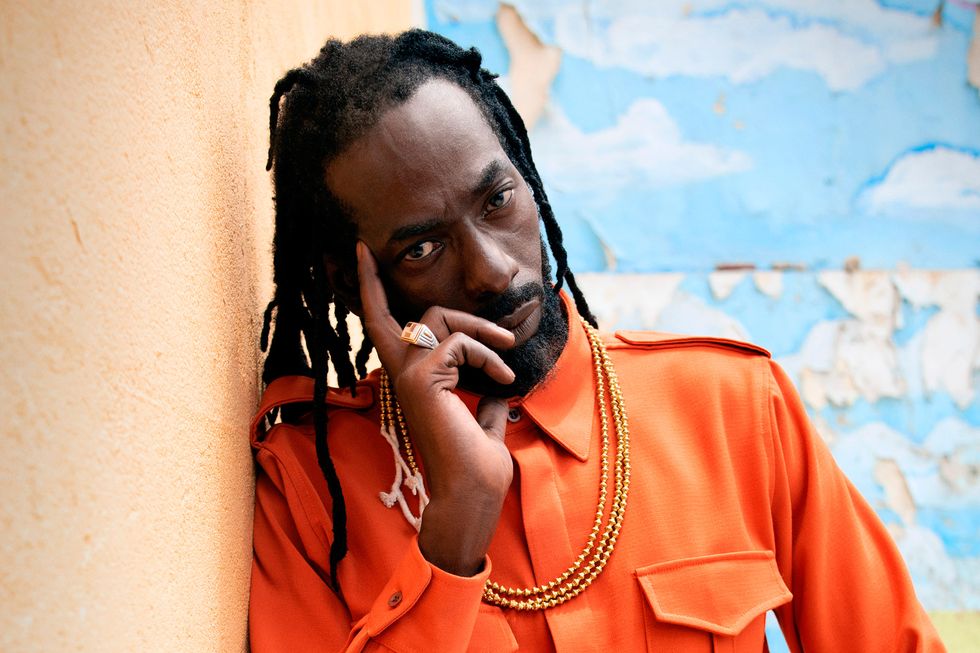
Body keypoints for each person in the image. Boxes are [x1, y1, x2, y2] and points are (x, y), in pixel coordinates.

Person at [248, 30, 944, 652]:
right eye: (424, 247)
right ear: (352, 283)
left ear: (527, 177)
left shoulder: (733, 405)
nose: (493, 269)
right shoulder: (312, 487)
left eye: (497, 201)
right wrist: (452, 534)